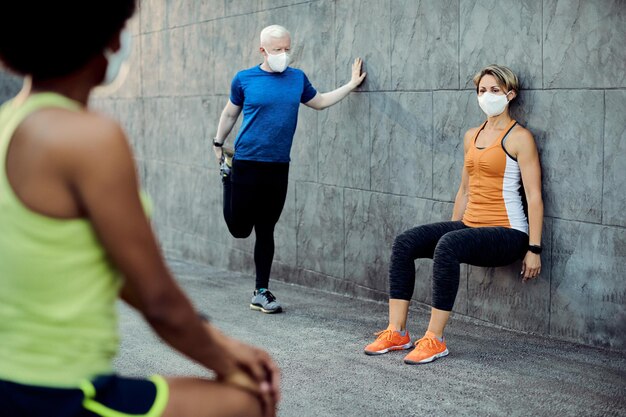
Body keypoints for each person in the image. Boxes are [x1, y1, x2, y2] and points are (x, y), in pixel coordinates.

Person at [0, 2, 279, 417]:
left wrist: (222, 344)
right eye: (122, 27)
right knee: (247, 400)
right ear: (105, 39)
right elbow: (159, 302)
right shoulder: (88, 137)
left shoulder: (8, 121)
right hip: (53, 396)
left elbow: (127, 279)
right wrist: (236, 364)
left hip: (12, 382)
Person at [364, 64, 543, 364]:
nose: (487, 96)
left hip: (509, 233)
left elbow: (534, 197)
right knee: (405, 242)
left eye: (495, 90)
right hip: (470, 225)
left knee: (448, 244)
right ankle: (397, 331)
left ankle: (435, 339)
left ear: (510, 95)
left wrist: (534, 249)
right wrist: (453, 227)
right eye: (482, 90)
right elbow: (464, 189)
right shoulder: (471, 135)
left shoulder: (519, 137)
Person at [212, 24, 366, 314]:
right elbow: (230, 112)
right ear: (263, 50)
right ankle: (226, 177)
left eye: (287, 49)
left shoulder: (297, 79)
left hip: (278, 166)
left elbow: (319, 102)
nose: (283, 54)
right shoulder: (245, 79)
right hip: (246, 163)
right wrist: (218, 142)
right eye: (277, 50)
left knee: (266, 228)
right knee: (239, 229)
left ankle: (261, 291)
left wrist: (350, 84)